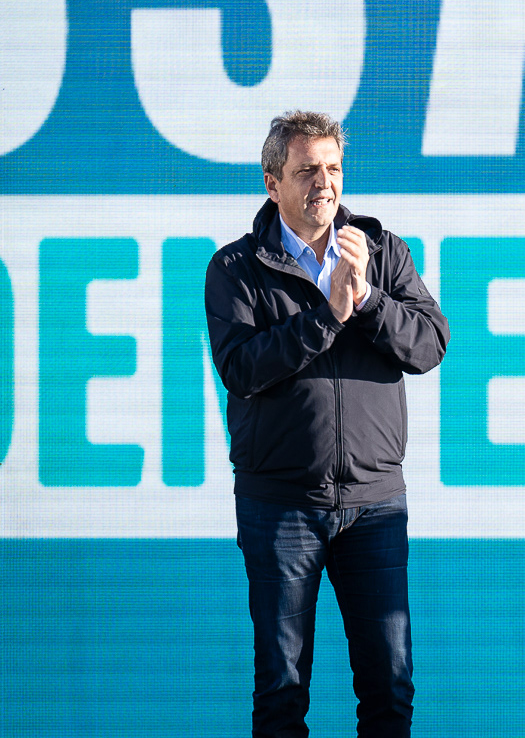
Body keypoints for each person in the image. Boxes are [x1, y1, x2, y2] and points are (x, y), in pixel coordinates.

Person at [205, 111, 450, 738]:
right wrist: (328, 316)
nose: (325, 183)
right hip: (281, 508)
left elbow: (429, 346)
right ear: (271, 182)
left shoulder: (382, 251)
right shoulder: (235, 268)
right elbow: (241, 368)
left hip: (374, 507)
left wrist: (366, 300)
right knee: (282, 694)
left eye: (333, 168)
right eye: (307, 170)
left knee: (389, 692)